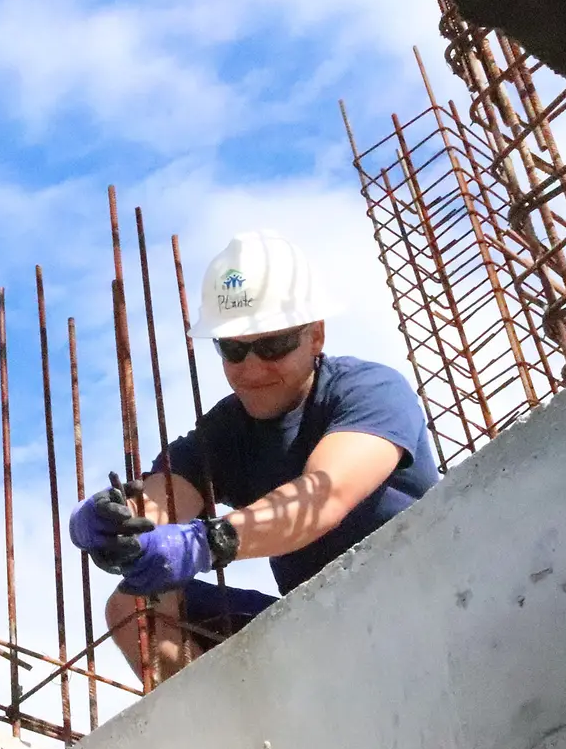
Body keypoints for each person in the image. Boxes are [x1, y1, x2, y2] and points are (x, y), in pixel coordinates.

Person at [69, 230, 439, 680]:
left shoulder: (369, 391)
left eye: (274, 345)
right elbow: (161, 504)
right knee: (136, 604)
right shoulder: (227, 430)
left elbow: (320, 498)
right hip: (319, 625)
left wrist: (209, 542)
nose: (252, 368)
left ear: (315, 336)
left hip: (422, 606)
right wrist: (113, 522)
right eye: (234, 349)